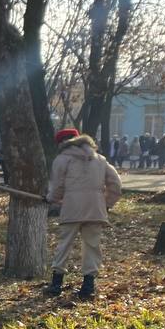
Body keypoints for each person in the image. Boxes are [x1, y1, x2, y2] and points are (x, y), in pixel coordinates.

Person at [45, 129, 122, 301]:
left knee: (64, 245)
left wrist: (52, 198)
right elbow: (116, 185)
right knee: (92, 246)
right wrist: (106, 204)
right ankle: (88, 286)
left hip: (72, 207)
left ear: (61, 143)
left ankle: (56, 284)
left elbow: (57, 186)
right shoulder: (100, 159)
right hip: (95, 208)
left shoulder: (62, 159)